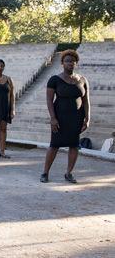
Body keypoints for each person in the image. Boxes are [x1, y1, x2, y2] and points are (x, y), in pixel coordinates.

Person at [41, 50, 90, 184]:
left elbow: (86, 101)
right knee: (54, 145)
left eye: (73, 61)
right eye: (67, 61)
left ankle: (69, 173)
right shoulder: (54, 79)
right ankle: (45, 173)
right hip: (59, 117)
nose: (70, 63)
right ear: (62, 63)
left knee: (74, 145)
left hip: (77, 117)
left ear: (76, 63)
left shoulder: (83, 80)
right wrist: (53, 118)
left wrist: (87, 118)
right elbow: (49, 100)